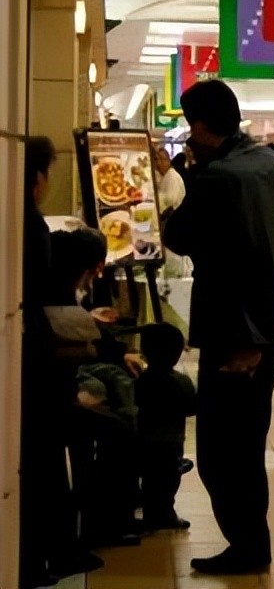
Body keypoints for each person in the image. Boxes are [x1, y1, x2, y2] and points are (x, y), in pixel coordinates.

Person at [162, 79, 274, 576]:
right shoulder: (267, 162)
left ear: (200, 126)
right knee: (248, 442)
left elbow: (178, 235)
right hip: (271, 325)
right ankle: (252, 543)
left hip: (237, 336)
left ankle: (247, 546)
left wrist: (186, 169)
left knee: (221, 452)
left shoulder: (219, 177)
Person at [20, 137, 105, 588]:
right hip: (37, 363)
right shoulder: (28, 226)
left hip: (28, 363)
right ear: (38, 177)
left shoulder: (21, 219)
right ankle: (44, 555)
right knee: (45, 460)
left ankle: (44, 552)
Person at [136, 323, 197, 532]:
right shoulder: (180, 382)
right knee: (169, 482)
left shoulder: (140, 381)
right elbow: (191, 408)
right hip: (171, 441)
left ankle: (150, 514)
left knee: (150, 480)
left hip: (144, 440)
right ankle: (165, 514)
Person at [154, 145, 186, 217]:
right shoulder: (163, 176)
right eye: (156, 159)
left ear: (169, 161)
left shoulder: (172, 177)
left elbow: (170, 205)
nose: (158, 163)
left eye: (162, 159)